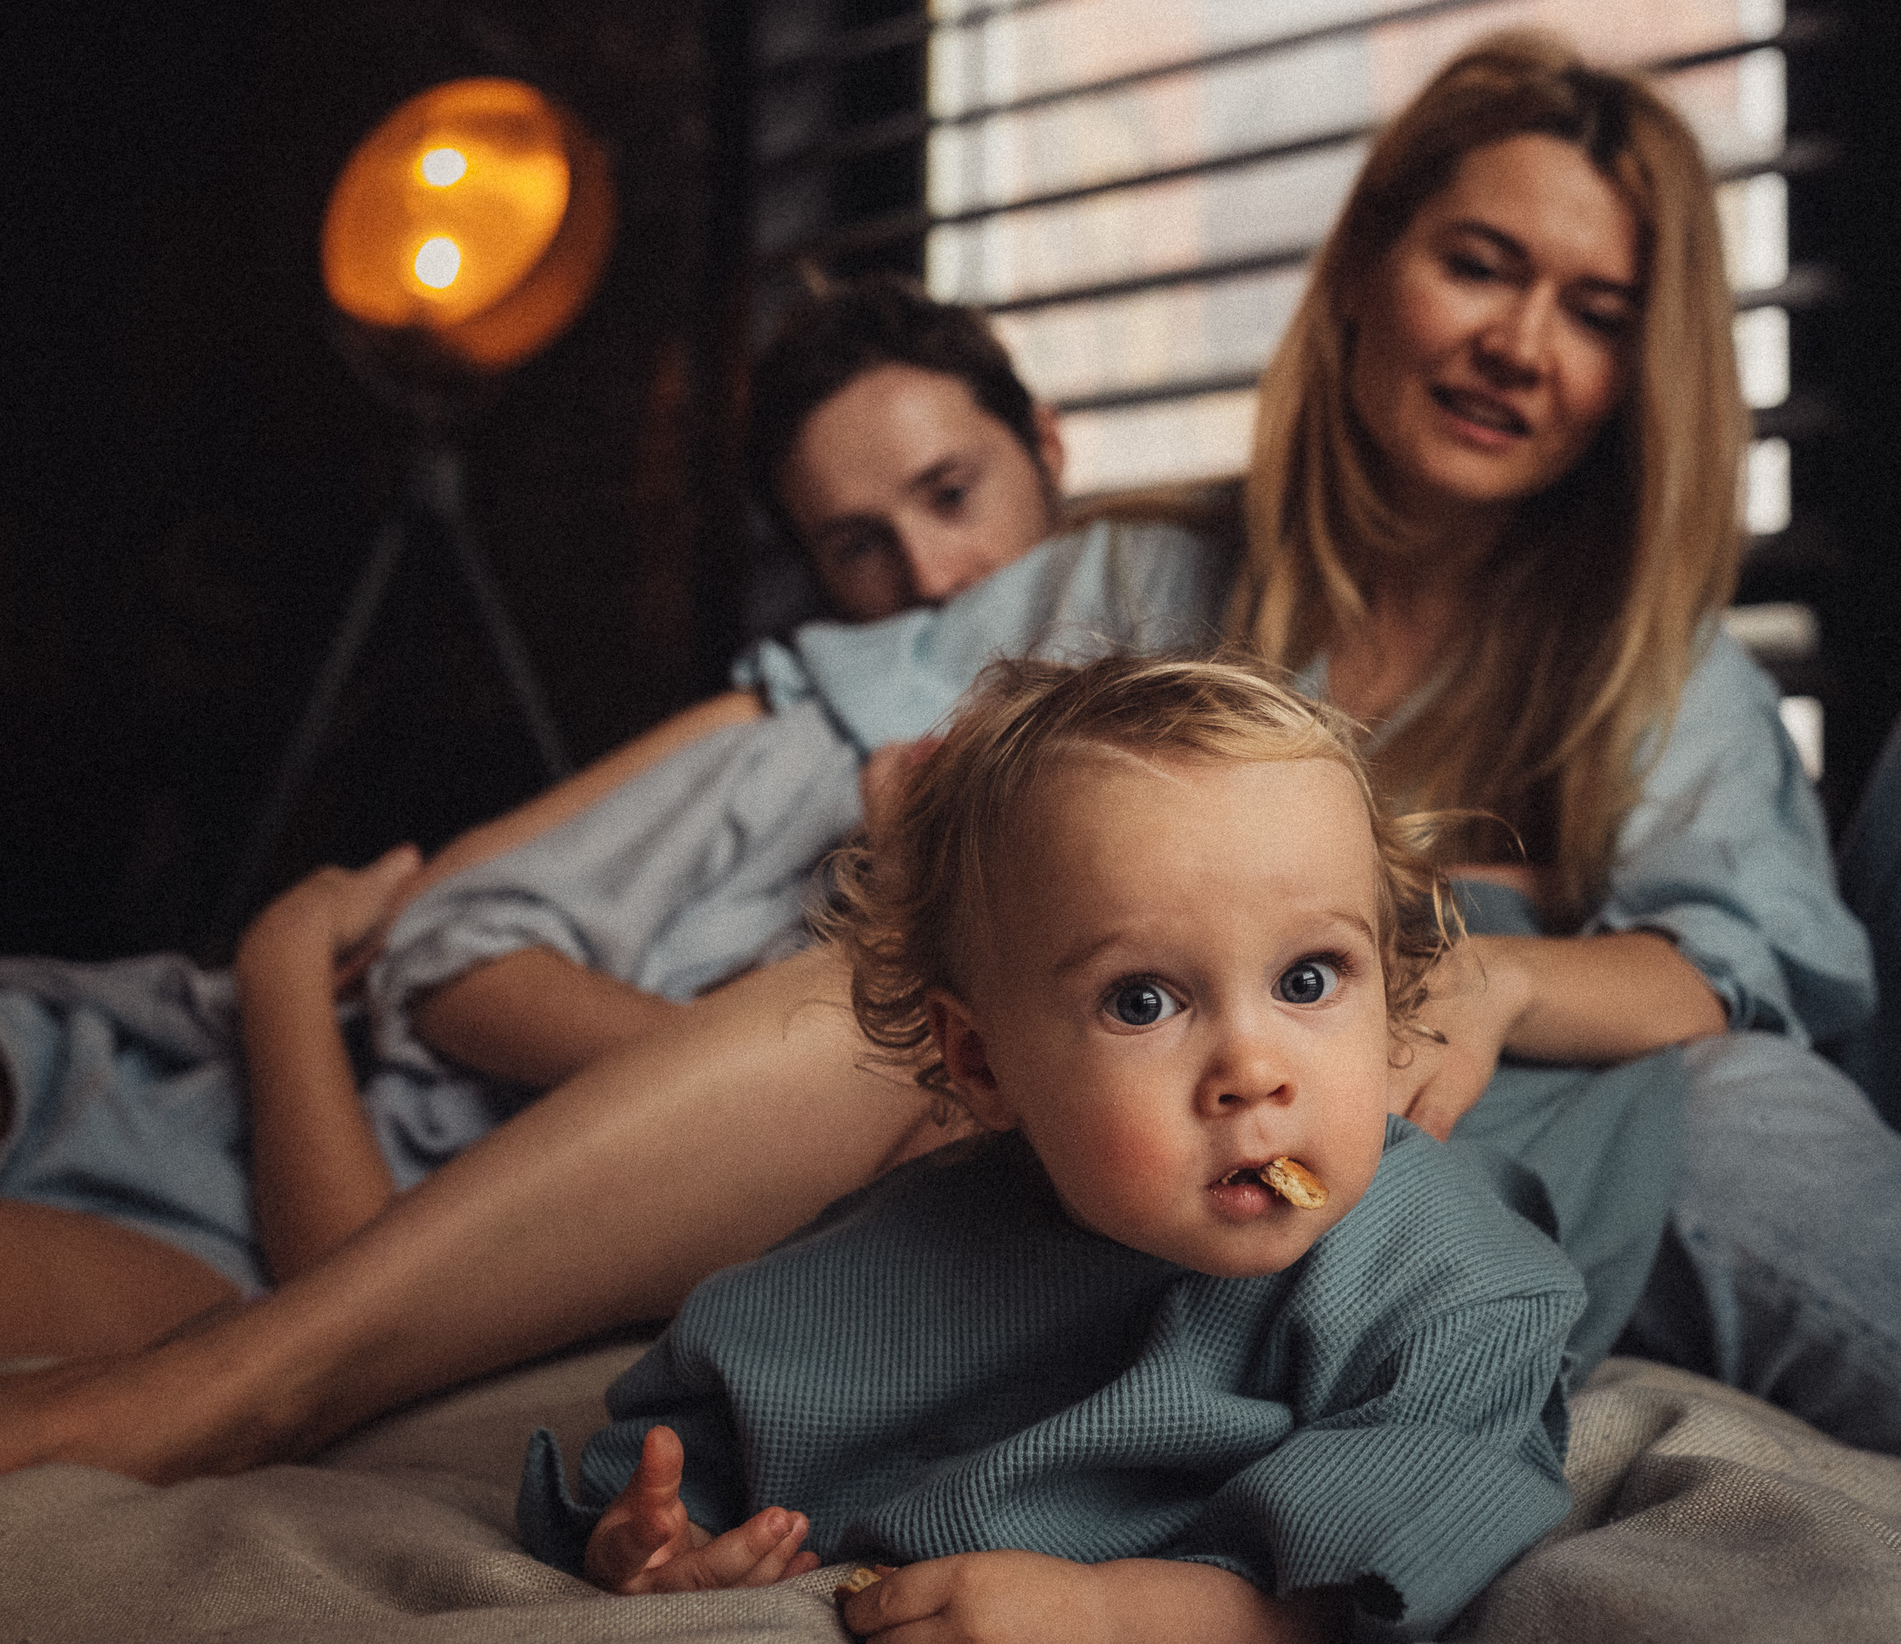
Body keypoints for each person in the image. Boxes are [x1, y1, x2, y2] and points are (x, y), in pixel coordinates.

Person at [0, 26, 1901, 1638]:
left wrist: (1502, 973)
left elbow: (1752, 979)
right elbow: (792, 761)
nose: (1520, 338)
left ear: (1650, 369)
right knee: (993, 933)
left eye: (1594, 303)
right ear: (1371, 272)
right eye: (1474, 260)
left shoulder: (1638, 675)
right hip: (1368, 1121)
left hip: (1684, 1105)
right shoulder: (1104, 584)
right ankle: (243, 1372)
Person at [0, 275, 1068, 1380]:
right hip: (139, 1056)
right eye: (859, 544)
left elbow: (355, 1268)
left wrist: (744, 1109)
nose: (931, 578)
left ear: (1049, 452)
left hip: (222, 1257)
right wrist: (716, 1092)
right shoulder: (800, 748)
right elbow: (448, 935)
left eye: (951, 495)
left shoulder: (1088, 956)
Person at [521, 654, 1585, 1644]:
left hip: (1578, 1112)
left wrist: (1123, 1612)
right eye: (1143, 999)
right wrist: (657, 1538)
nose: (1253, 1068)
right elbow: (696, 1431)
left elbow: (1436, 1490)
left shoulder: (1453, 1279)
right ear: (981, 1063)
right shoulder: (897, 1259)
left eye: (1308, 978)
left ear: (1389, 994)